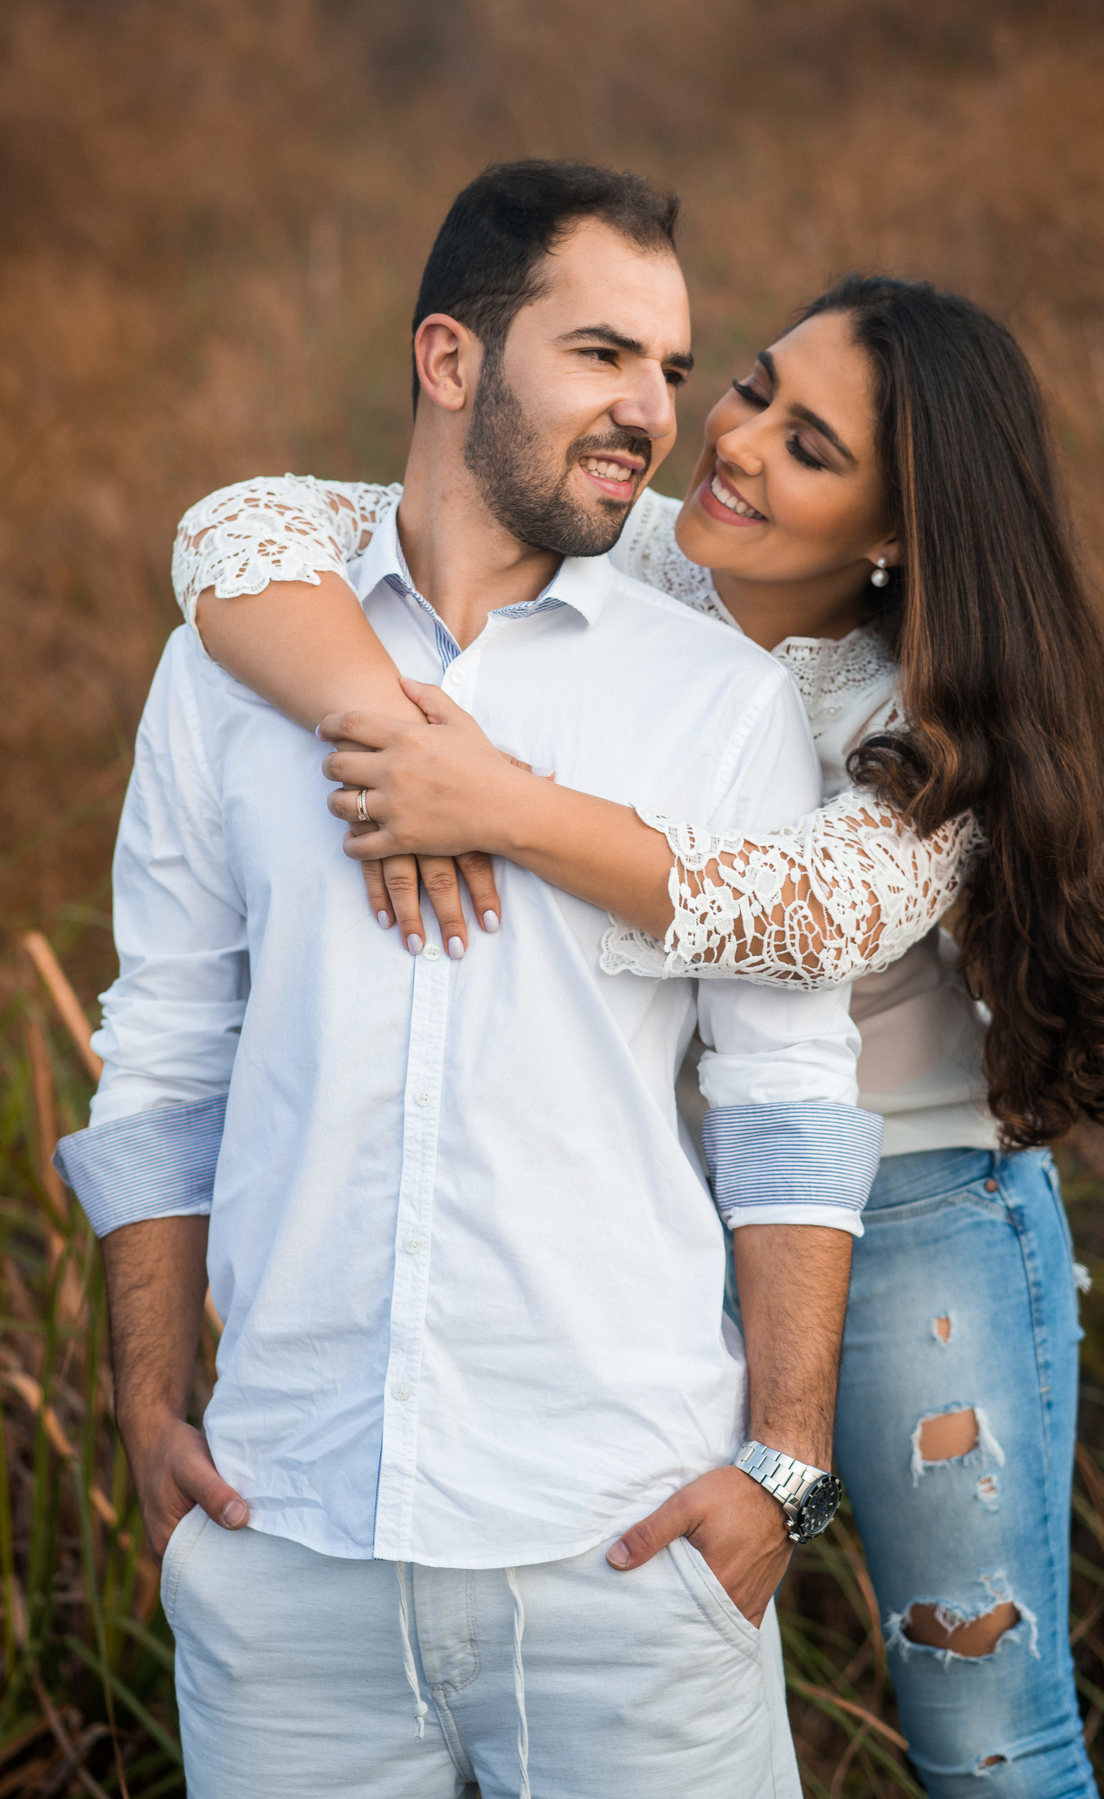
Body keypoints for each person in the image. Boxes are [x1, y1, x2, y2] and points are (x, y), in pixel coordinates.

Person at [171, 272, 1104, 1798]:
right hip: (660, 1197)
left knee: (983, 1731)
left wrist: (496, 805)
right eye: (754, 387)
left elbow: (804, 916)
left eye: (810, 448)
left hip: (915, 1215)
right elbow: (236, 531)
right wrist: (396, 723)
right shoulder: (635, 545)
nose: (737, 441)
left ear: (898, 533)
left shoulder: (929, 714)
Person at [55, 161, 886, 1799]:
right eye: (602, 354)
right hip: (286, 1547)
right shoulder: (230, 666)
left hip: (630, 1555)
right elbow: (164, 1045)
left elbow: (788, 1093)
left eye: (671, 365)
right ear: (449, 358)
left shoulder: (715, 702)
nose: (654, 412)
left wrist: (784, 1466)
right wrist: (152, 1408)